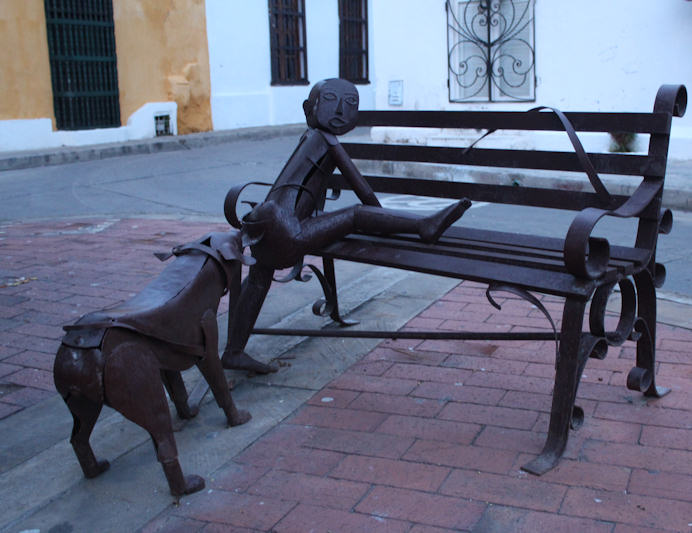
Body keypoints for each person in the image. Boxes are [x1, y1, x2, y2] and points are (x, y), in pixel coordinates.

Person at [222, 78, 471, 374]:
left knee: (259, 280)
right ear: (308, 109)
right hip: (289, 231)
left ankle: (233, 351)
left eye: (350, 104)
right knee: (354, 213)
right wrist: (386, 222)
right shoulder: (326, 139)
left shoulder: (310, 136)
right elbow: (363, 192)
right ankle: (422, 226)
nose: (341, 110)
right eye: (330, 101)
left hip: (265, 224)